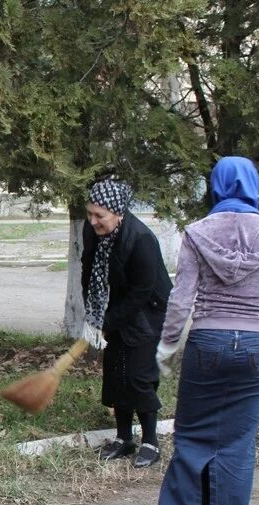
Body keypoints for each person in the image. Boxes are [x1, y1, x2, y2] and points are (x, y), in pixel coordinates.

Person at [154, 157, 259, 505]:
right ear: (252, 185)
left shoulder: (197, 233)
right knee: (237, 442)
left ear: (216, 186)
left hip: (209, 342)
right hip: (257, 346)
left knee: (193, 434)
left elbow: (182, 299)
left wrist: (166, 348)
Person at [81, 179, 173, 468]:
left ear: (118, 213)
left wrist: (109, 321)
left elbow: (141, 293)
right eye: (90, 214)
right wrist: (94, 315)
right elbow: (88, 269)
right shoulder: (93, 230)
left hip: (149, 311)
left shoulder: (141, 239)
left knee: (138, 375)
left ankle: (150, 442)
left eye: (100, 216)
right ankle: (124, 438)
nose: (93, 221)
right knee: (116, 371)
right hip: (119, 304)